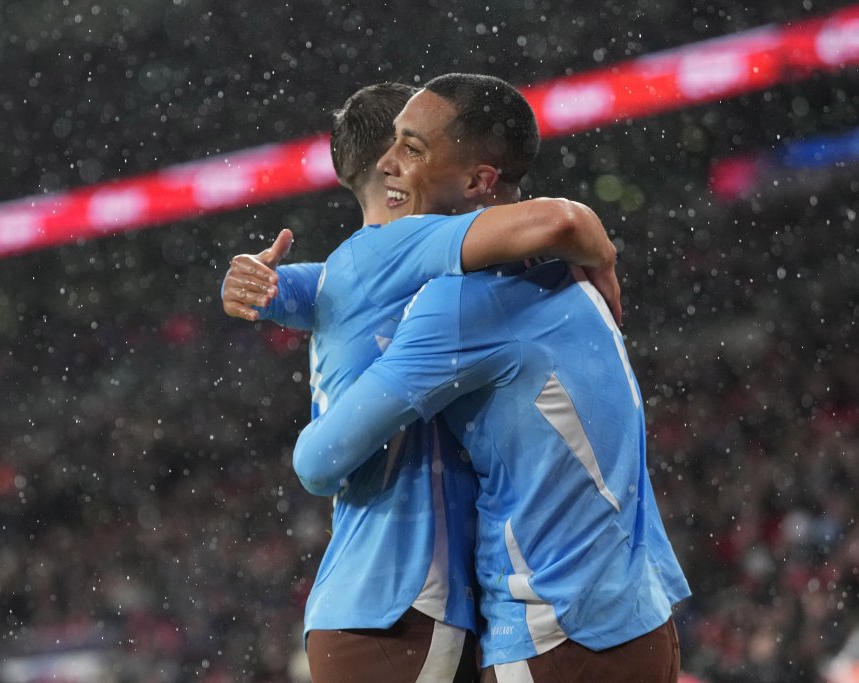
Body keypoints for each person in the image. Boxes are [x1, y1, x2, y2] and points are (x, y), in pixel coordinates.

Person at [293, 73, 691, 682]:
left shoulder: (461, 305)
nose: (389, 163)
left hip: (555, 633)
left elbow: (320, 460)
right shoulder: (566, 267)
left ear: (478, 182)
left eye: (411, 148)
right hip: (638, 616)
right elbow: (559, 222)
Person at [221, 81, 619, 682]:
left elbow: (287, 288)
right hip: (407, 602)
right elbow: (557, 221)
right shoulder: (409, 245)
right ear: (395, 168)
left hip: (364, 596)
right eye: (414, 144)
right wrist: (600, 250)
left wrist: (244, 282)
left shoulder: (342, 273)